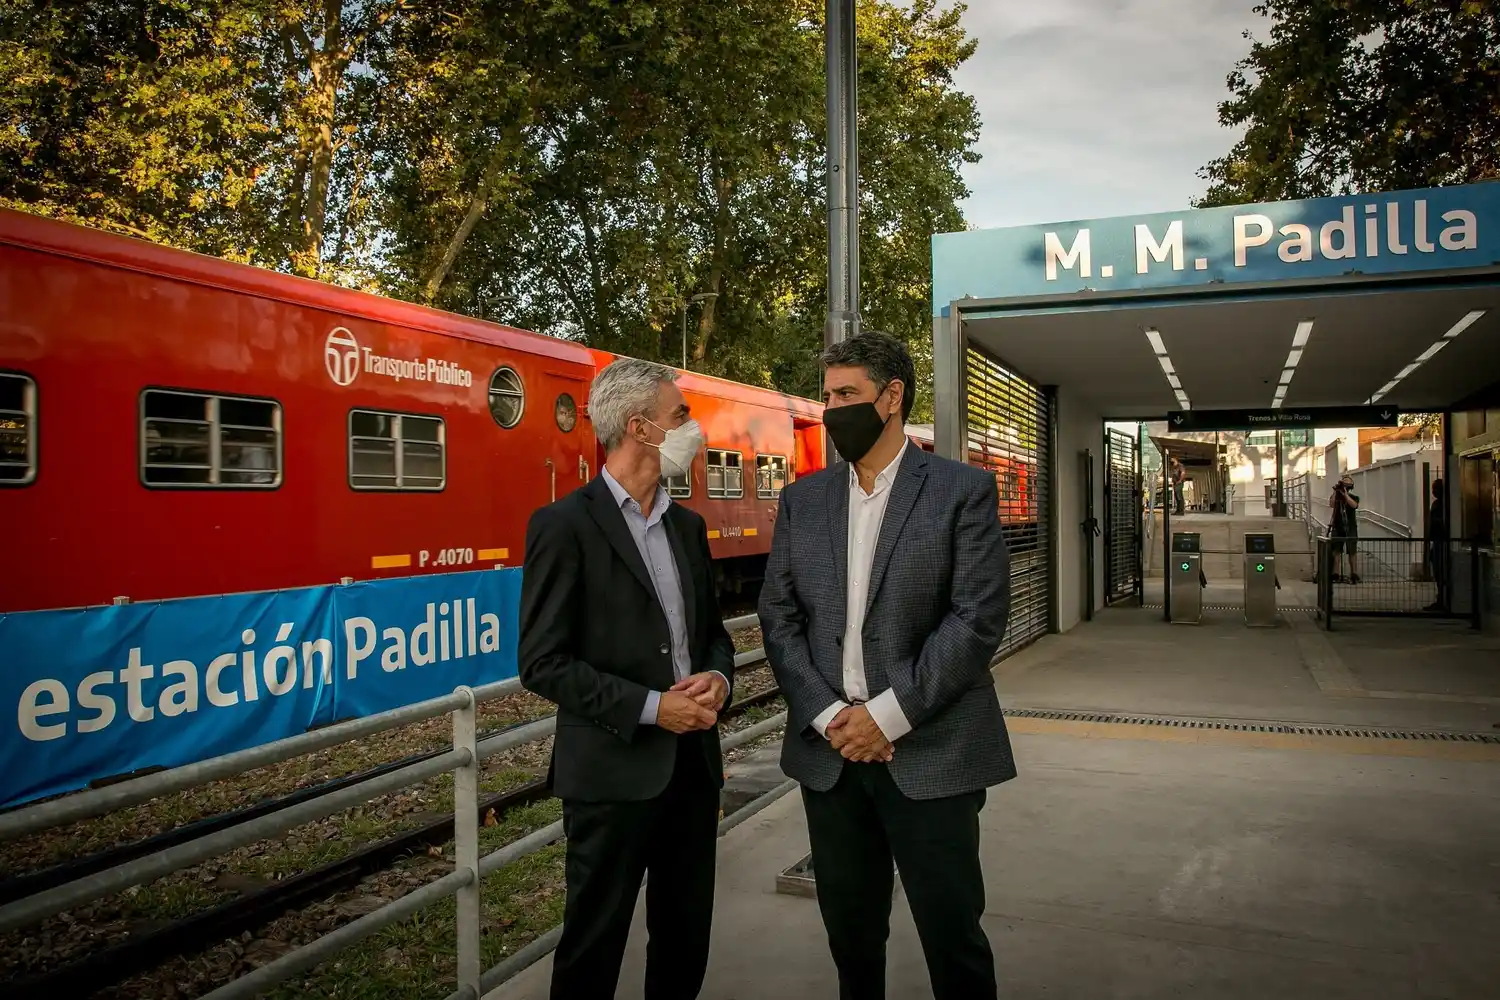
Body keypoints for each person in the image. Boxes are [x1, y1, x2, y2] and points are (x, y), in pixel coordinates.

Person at [758, 330, 1015, 1000]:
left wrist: (887, 717)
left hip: (932, 753)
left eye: (847, 395)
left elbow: (977, 619)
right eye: (828, 396)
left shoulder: (962, 491)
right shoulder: (803, 501)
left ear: (892, 396)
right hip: (831, 755)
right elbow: (779, 619)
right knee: (851, 936)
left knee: (952, 937)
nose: (831, 409)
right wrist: (828, 713)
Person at [518, 357, 735, 1000]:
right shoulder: (563, 527)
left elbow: (713, 638)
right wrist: (650, 707)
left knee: (685, 937)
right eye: (680, 416)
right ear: (641, 427)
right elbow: (542, 662)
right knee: (594, 943)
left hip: (692, 771)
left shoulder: (688, 528)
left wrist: (719, 682)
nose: (691, 429)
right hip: (612, 777)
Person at [1329, 473, 1361, 584]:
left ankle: (1354, 573)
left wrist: (1345, 494)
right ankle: (1336, 573)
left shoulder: (1354, 497)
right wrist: (1335, 492)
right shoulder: (1337, 497)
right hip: (1337, 526)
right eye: (1344, 481)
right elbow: (1332, 504)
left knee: (1352, 551)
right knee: (1336, 551)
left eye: (1348, 481)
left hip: (1351, 527)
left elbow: (1354, 505)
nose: (1345, 483)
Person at [1425, 478, 1448, 612]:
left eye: (1436, 489)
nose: (1434, 492)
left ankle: (1442, 599)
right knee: (1438, 571)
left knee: (1441, 571)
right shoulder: (1437, 505)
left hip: (1441, 541)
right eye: (1433, 489)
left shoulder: (1443, 506)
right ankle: (1441, 598)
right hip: (1436, 540)